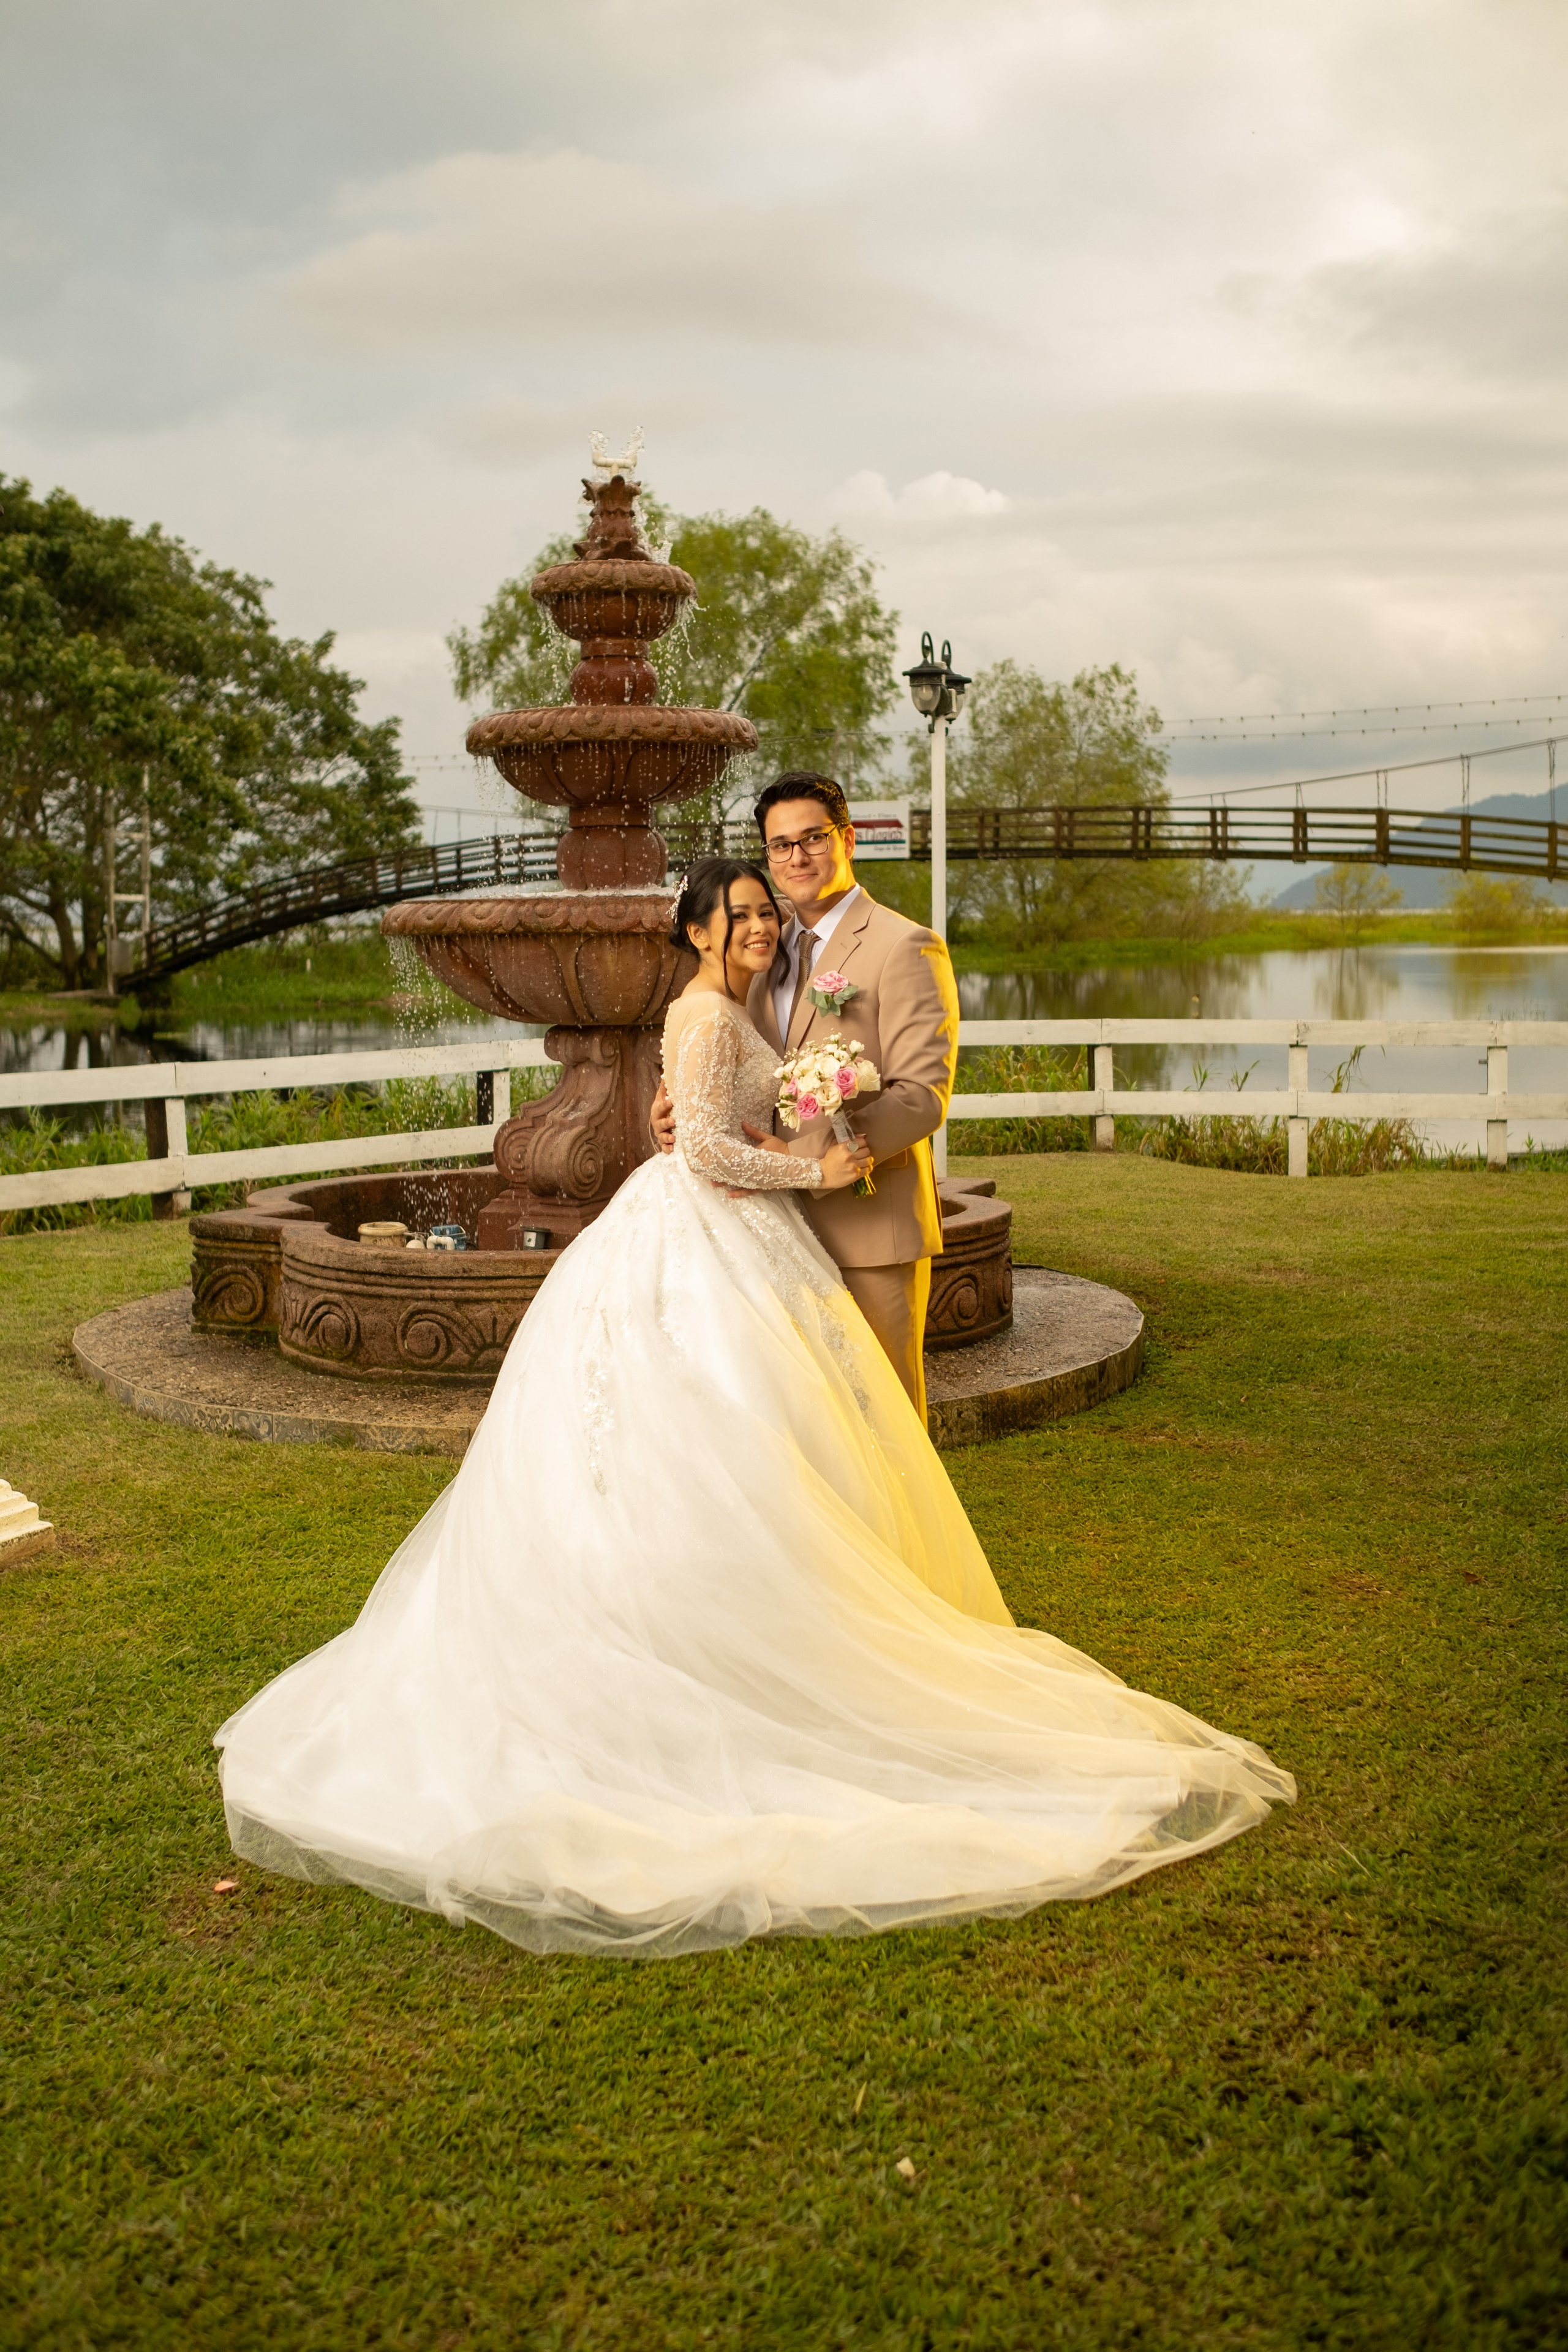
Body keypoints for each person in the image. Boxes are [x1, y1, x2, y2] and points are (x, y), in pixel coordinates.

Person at [215, 858, 1294, 1960]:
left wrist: (807, 1092)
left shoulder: (728, 1013)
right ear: (693, 931)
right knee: (699, 1432)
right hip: (698, 1237)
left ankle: (783, 1606)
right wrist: (814, 1176)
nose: (754, 927)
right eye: (736, 915)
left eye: (762, 915)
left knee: (765, 1437)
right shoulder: (701, 1011)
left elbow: (720, 1114)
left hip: (733, 1236)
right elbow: (707, 1151)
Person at [650, 773, 956, 1425]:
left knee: (887, 1419)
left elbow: (922, 1096)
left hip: (867, 1224)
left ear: (846, 839)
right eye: (780, 845)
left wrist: (805, 1157)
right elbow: (721, 1043)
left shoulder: (904, 945)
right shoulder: (759, 939)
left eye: (813, 839)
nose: (796, 858)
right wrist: (671, 1102)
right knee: (803, 1429)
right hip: (767, 1230)